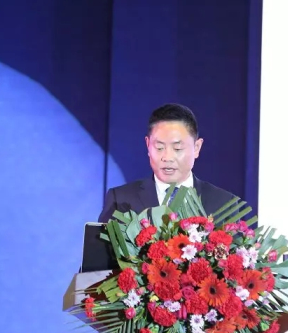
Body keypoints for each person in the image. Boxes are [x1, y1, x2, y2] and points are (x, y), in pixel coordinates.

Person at [91, 104, 238, 270]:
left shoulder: (223, 203)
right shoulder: (121, 200)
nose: (167, 157)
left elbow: (235, 271)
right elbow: (98, 268)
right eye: (159, 147)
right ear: (148, 145)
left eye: (177, 148)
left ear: (197, 148)